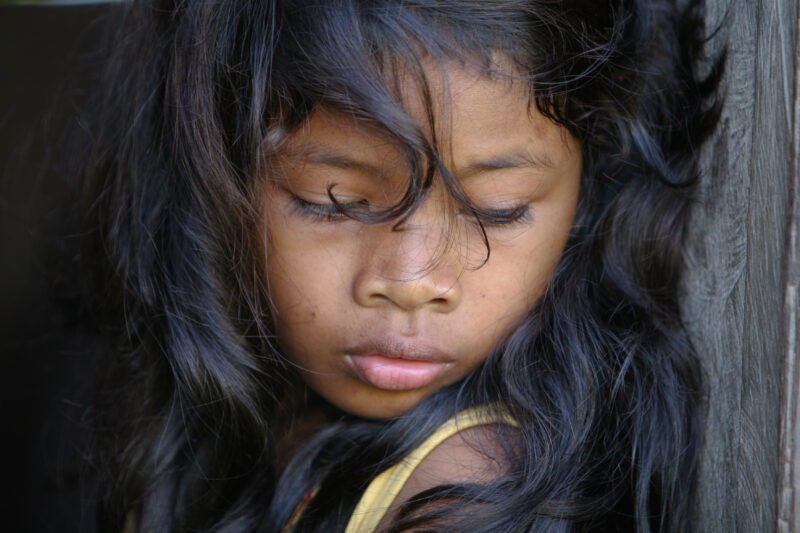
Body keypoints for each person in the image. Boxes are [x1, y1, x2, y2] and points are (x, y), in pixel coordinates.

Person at [80, 0, 723, 531]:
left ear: (587, 196)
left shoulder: (466, 495)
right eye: (334, 203)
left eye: (497, 210)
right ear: (214, 173)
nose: (413, 282)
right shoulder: (229, 424)